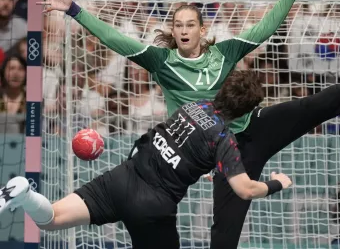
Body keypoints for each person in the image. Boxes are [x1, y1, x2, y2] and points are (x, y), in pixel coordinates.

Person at [34, 0, 340, 248]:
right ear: (173, 30)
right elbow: (116, 39)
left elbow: (264, 30)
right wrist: (75, 11)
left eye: (190, 24)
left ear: (202, 28)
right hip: (223, 150)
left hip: (255, 126)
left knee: (323, 102)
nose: (183, 30)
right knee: (225, 235)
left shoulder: (223, 51)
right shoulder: (162, 61)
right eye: (177, 25)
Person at [0, 71, 292, 248]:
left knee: (51, 219)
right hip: (152, 206)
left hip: (122, 177)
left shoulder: (192, 105)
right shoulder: (224, 139)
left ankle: (25, 195)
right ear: (245, 112)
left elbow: (185, 146)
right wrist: (275, 183)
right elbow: (244, 190)